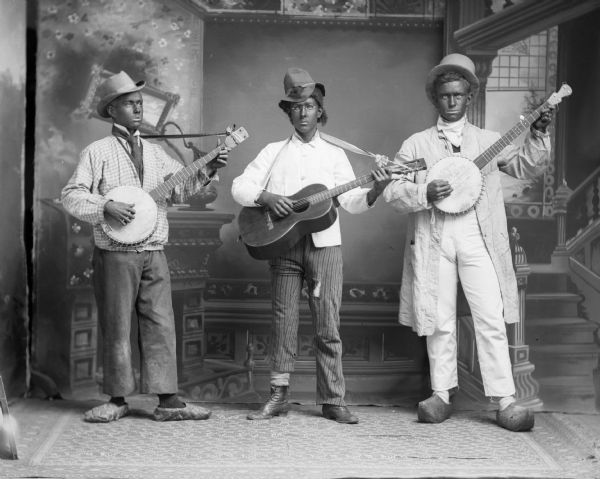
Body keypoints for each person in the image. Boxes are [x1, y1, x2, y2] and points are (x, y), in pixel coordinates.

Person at [382, 54, 554, 431]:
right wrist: (424, 191)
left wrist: (538, 134)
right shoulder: (417, 144)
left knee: (489, 315)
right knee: (440, 317)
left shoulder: (488, 141)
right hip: (435, 235)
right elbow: (393, 191)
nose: (452, 101)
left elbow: (527, 166)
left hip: (478, 235)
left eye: (459, 94)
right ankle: (441, 393)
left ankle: (504, 398)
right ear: (435, 98)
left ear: (470, 96)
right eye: (444, 95)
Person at [61, 71, 229, 423]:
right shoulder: (97, 152)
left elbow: (180, 191)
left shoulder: (155, 154)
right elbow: (72, 195)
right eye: (129, 104)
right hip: (115, 252)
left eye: (140, 103)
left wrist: (209, 168)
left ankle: (168, 401)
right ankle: (117, 398)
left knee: (161, 322)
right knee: (117, 323)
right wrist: (106, 206)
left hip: (154, 249)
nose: (137, 109)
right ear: (112, 110)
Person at [231, 67, 391, 424]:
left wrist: (377, 188)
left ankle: (333, 399)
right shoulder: (273, 152)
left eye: (309, 106)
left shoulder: (335, 154)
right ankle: (279, 395)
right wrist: (267, 197)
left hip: (324, 248)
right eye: (295, 106)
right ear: (288, 112)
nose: (303, 112)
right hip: (283, 246)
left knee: (327, 322)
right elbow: (240, 187)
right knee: (283, 319)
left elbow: (351, 202)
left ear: (320, 110)